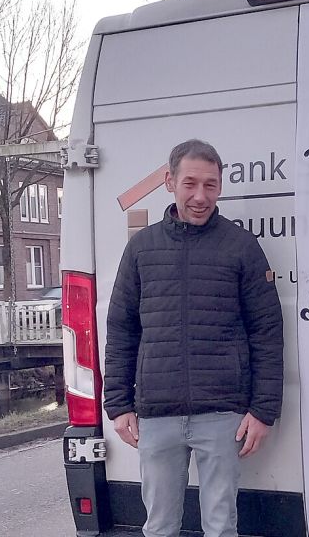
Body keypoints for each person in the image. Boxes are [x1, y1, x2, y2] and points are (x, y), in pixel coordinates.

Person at [103, 139, 284, 537]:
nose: (200, 196)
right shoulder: (141, 249)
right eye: (190, 184)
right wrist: (118, 405)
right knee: (160, 527)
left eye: (211, 185)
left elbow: (267, 333)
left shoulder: (242, 248)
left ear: (220, 186)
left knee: (221, 527)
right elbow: (121, 329)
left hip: (223, 416)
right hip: (157, 415)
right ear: (170, 182)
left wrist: (263, 410)